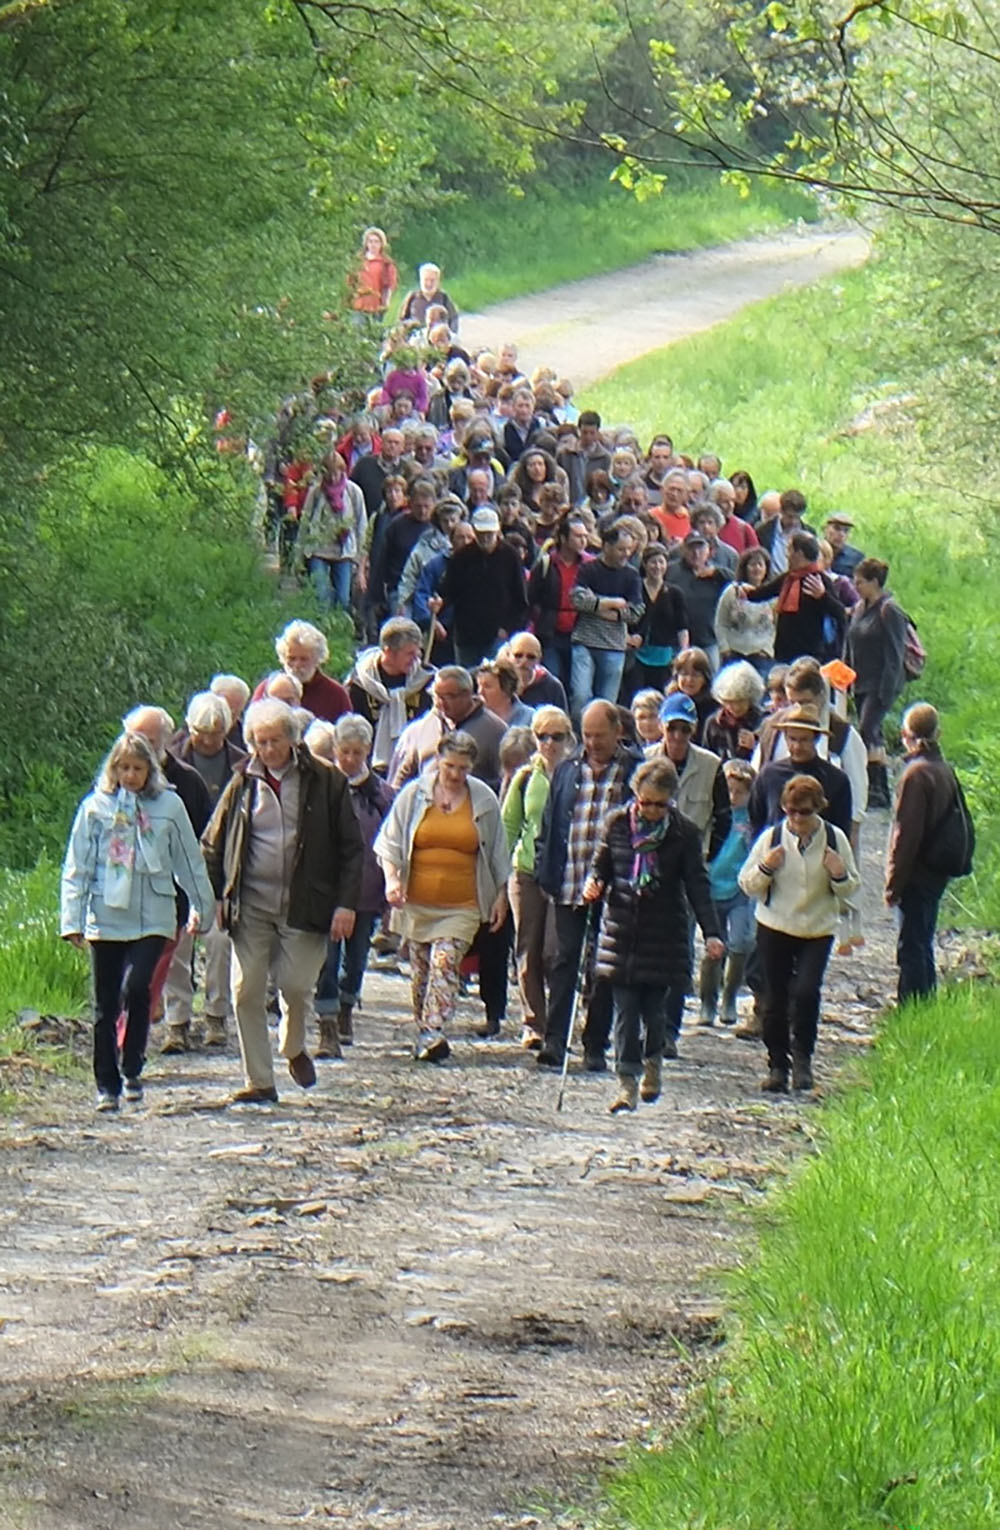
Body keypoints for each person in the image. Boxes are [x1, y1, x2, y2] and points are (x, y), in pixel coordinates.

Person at [201, 699, 363, 1104]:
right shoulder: (242, 783)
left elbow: (352, 849)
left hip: (306, 903)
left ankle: (292, 1047)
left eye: (274, 740)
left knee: (294, 986)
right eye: (260, 741)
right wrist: (218, 896)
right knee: (246, 990)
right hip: (251, 903)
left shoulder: (326, 782)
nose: (267, 749)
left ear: (292, 740)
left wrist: (345, 905)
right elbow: (213, 844)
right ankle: (259, 1080)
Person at [60, 731, 216, 1112]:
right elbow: (77, 865)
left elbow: (188, 861)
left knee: (137, 987)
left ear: (151, 770)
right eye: (124, 768)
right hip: (106, 913)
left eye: (138, 768)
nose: (130, 776)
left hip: (154, 914)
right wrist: (73, 918)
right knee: (105, 1002)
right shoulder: (95, 807)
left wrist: (202, 907)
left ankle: (132, 1065)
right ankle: (107, 1084)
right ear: (113, 769)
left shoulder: (169, 806)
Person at [585, 758, 724, 1113]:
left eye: (659, 804)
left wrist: (711, 933)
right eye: (645, 802)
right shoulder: (616, 824)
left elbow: (697, 885)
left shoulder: (685, 833)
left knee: (655, 1012)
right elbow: (601, 866)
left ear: (671, 801)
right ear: (635, 795)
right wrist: (594, 884)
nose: (650, 811)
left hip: (664, 935)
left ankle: (653, 1064)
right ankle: (626, 1083)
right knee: (625, 1013)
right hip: (621, 933)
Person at [374, 732, 510, 1061]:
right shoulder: (414, 794)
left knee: (445, 963)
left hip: (462, 904)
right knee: (421, 973)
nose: (455, 774)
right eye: (450, 766)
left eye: (463, 768)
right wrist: (392, 880)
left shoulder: (483, 800)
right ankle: (425, 1030)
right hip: (418, 902)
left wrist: (501, 896)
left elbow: (497, 852)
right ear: (438, 760)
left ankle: (434, 1031)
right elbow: (390, 842)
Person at [533, 700, 639, 1069]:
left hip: (616, 889)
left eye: (600, 735)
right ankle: (555, 1041)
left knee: (603, 967)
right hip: (569, 881)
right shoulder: (566, 770)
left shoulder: (635, 771)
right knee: (564, 961)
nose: (592, 743)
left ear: (618, 732)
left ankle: (595, 1044)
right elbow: (549, 826)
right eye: (587, 735)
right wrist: (543, 867)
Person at [739, 774, 859, 1092]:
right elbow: (747, 883)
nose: (796, 818)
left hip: (817, 928)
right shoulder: (773, 837)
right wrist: (766, 868)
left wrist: (839, 874)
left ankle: (803, 1059)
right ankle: (778, 1064)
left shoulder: (834, 839)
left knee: (806, 993)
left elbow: (851, 888)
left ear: (818, 809)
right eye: (790, 811)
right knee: (774, 998)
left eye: (804, 812)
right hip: (775, 924)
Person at [163, 691, 247, 1049]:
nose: (209, 740)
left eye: (217, 733)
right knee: (177, 944)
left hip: (223, 870)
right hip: (178, 868)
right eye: (202, 733)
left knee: (219, 942)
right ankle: (177, 1021)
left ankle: (216, 1016)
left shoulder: (242, 765)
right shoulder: (172, 766)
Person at [307, 715, 394, 1053]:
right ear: (334, 750)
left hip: (367, 892)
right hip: (328, 890)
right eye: (345, 751)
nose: (351, 759)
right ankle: (327, 1021)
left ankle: (347, 1004)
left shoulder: (382, 795)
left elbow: (392, 841)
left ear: (368, 751)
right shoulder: (322, 787)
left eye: (358, 752)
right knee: (326, 959)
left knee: (357, 958)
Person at [501, 706, 575, 1048]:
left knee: (554, 950)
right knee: (527, 949)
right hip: (526, 871)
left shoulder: (577, 774)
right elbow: (509, 826)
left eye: (556, 736)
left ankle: (561, 1020)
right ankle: (534, 1023)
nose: (549, 743)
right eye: (542, 736)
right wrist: (502, 878)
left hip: (564, 871)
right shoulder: (525, 777)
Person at [886, 703, 968, 1004]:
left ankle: (912, 1007)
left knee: (911, 946)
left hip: (917, 873)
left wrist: (893, 883)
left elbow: (905, 836)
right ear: (939, 734)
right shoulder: (942, 768)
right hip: (937, 869)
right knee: (923, 942)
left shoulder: (916, 775)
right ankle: (927, 1004)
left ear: (905, 734)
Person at [846, 558, 908, 809]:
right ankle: (879, 788)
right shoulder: (860, 608)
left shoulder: (889, 610)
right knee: (873, 733)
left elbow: (895, 653)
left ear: (874, 582)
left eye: (860, 582)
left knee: (867, 730)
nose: (855, 586)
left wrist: (887, 690)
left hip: (880, 683)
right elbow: (850, 642)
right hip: (860, 681)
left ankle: (875, 785)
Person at [699, 759, 756, 1025]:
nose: (733, 797)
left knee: (741, 942)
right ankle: (707, 1001)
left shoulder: (753, 821)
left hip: (740, 890)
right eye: (729, 791)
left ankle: (730, 997)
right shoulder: (716, 816)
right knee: (713, 947)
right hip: (711, 889)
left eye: (740, 792)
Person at [389, 664, 506, 792]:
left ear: (466, 694)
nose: (441, 703)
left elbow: (505, 780)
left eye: (448, 697)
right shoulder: (426, 725)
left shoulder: (494, 730)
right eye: (437, 696)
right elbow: (405, 772)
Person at [569, 523, 644, 720]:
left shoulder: (631, 575)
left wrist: (605, 610)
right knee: (580, 696)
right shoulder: (589, 569)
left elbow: (636, 611)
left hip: (614, 646)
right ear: (607, 546)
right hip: (585, 641)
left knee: (606, 706)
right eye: (621, 549)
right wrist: (610, 603)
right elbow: (576, 599)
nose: (625, 554)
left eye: (629, 549)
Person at [438, 506, 528, 668]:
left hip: (497, 635)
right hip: (467, 635)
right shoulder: (461, 557)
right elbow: (448, 591)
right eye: (481, 534)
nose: (485, 538)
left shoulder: (510, 557)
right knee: (466, 681)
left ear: (497, 531)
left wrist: (508, 628)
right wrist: (439, 602)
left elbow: (520, 599)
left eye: (489, 534)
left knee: (493, 678)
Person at [748, 703, 853, 837]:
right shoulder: (769, 775)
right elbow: (756, 822)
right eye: (792, 739)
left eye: (804, 740)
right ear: (785, 737)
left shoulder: (836, 779)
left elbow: (842, 830)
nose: (797, 746)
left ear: (816, 739)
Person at [347, 616, 435, 774]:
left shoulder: (426, 680)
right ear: (388, 652)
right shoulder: (359, 684)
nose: (416, 659)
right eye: (409, 654)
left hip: (414, 765)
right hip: (368, 765)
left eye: (418, 653)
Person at [743, 531, 847, 664]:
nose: (787, 555)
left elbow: (840, 612)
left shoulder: (820, 580)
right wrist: (744, 591)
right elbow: (762, 593)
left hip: (810, 654)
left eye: (790, 550)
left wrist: (822, 596)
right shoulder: (788, 578)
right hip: (784, 652)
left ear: (799, 554)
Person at [526, 512, 591, 691]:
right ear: (563, 538)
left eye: (585, 536)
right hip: (551, 633)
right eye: (578, 536)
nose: (583, 541)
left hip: (581, 633)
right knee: (553, 681)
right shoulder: (546, 564)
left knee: (578, 687)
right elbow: (531, 598)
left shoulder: (590, 565)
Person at [297, 450, 367, 611]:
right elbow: (305, 522)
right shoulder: (316, 492)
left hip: (344, 551)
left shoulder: (353, 491)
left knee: (343, 598)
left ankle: (338, 628)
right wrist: (299, 555)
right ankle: (322, 625)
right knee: (321, 596)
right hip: (318, 550)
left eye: (337, 472)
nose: (333, 477)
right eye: (329, 473)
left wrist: (359, 555)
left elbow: (361, 523)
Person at [623, 542, 689, 700]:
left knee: (662, 697)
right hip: (636, 654)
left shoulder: (675, 593)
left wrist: (684, 653)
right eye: (653, 562)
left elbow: (682, 626)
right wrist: (626, 637)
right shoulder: (634, 588)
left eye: (661, 562)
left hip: (664, 655)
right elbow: (624, 615)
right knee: (636, 696)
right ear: (645, 564)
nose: (657, 566)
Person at [255, 620, 351, 722]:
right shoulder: (268, 689)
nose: (297, 665)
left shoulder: (335, 695)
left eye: (304, 659)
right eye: (292, 658)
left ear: (317, 659)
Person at [667, 531, 730, 671]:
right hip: (675, 640)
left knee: (712, 680)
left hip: (708, 639)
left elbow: (736, 584)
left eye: (700, 548)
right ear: (683, 550)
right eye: (691, 549)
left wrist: (717, 574)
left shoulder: (718, 574)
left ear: (709, 550)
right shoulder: (670, 571)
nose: (696, 553)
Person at [715, 546, 775, 678]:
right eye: (752, 564)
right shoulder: (732, 591)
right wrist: (725, 649)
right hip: (734, 654)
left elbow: (778, 625)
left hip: (761, 657)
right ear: (745, 567)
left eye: (760, 564)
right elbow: (721, 622)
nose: (757, 568)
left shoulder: (773, 594)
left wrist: (767, 650)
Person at [703, 660, 765, 761]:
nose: (735, 707)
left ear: (750, 698)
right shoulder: (714, 723)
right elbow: (706, 759)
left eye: (740, 701)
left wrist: (757, 746)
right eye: (730, 702)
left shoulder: (763, 722)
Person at [501, 631, 568, 710]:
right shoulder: (497, 681)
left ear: (539, 659)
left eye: (531, 657)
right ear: (508, 655)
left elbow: (562, 721)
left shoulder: (552, 687)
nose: (524, 661)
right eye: (518, 655)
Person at [350, 227, 398, 319]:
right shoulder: (358, 261)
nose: (373, 245)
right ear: (366, 244)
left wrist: (386, 303)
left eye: (376, 242)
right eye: (370, 241)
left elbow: (390, 286)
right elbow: (350, 283)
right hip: (358, 306)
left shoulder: (386, 263)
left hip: (376, 306)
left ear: (381, 244)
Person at [400, 262, 459, 333]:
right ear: (421, 280)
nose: (429, 284)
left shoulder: (443, 297)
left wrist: (450, 334)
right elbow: (402, 319)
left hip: (438, 339)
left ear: (438, 281)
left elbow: (453, 319)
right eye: (426, 280)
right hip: (416, 338)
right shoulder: (412, 297)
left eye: (432, 280)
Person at [476, 657, 535, 728]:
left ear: (506, 689)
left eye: (487, 686)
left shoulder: (530, 717)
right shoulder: (475, 718)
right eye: (479, 685)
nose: (480, 691)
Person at [824, 513, 865, 577]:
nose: (841, 534)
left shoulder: (856, 557)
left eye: (846, 530)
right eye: (837, 528)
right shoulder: (814, 550)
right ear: (825, 529)